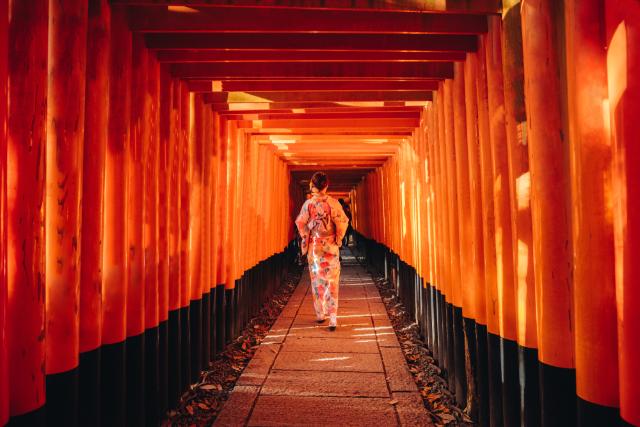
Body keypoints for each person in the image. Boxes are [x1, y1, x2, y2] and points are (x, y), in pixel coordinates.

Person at [295, 172, 349, 331]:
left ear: (313, 185)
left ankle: (320, 314)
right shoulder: (333, 203)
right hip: (331, 246)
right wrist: (338, 238)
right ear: (326, 185)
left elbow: (300, 223)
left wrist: (307, 235)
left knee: (317, 280)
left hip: (316, 247)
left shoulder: (308, 204)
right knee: (332, 280)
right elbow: (343, 222)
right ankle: (333, 317)